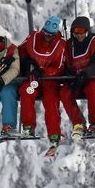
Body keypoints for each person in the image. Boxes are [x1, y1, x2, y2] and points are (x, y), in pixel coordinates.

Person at [17, 16, 67, 153]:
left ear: (55, 34)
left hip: (50, 80)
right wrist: (26, 60)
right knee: (27, 91)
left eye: (50, 35)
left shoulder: (61, 45)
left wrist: (44, 71)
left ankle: (54, 134)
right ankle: (28, 127)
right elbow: (20, 50)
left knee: (51, 101)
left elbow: (60, 68)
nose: (46, 37)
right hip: (34, 78)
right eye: (45, 33)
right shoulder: (33, 38)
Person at [59, 16, 95, 138]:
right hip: (76, 78)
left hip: (91, 78)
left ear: (87, 31)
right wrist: (69, 75)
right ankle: (78, 123)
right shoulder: (69, 45)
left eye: (82, 32)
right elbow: (66, 63)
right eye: (75, 32)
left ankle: (94, 124)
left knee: (93, 90)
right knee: (64, 92)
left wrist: (85, 74)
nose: (78, 35)